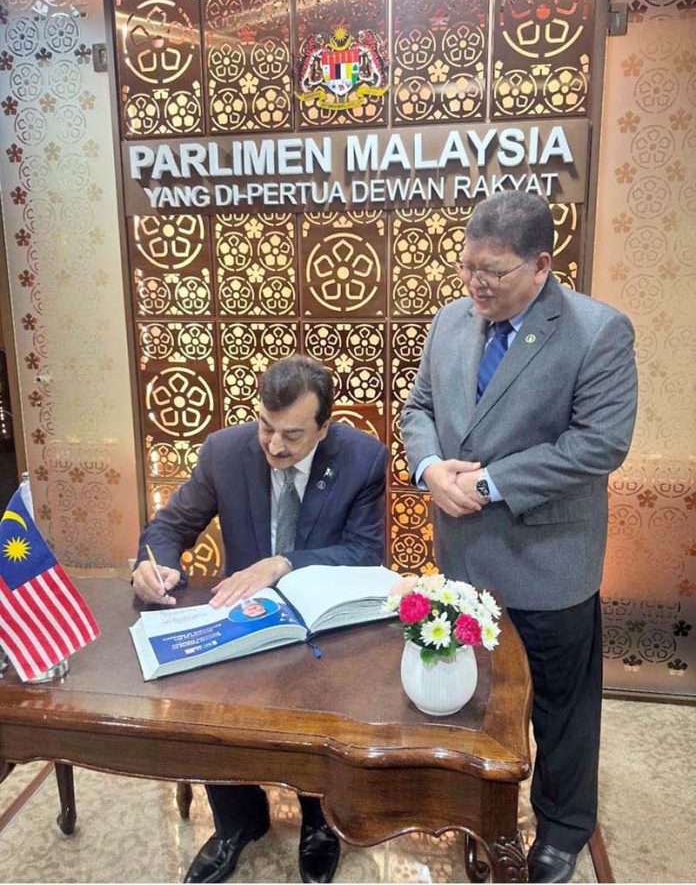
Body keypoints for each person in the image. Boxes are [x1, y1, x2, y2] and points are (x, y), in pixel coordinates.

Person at [400, 191, 637, 884]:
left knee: (561, 711)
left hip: (548, 564)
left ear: (540, 265)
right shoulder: (450, 321)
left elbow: (599, 444)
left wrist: (488, 483)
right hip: (464, 564)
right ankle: (481, 813)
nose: (475, 283)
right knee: (474, 702)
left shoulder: (598, 332)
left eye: (492, 271)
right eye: (467, 265)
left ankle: (563, 828)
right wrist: (428, 465)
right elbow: (418, 408)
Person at [132, 355, 388, 885]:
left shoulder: (362, 457)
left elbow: (365, 553)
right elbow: (171, 524)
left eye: (292, 435)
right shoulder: (225, 451)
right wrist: (151, 563)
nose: (274, 445)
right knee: (209, 701)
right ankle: (237, 823)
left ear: (323, 425)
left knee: (327, 706)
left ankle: (321, 822)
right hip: (246, 616)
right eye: (266, 427)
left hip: (324, 618)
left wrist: (284, 562)